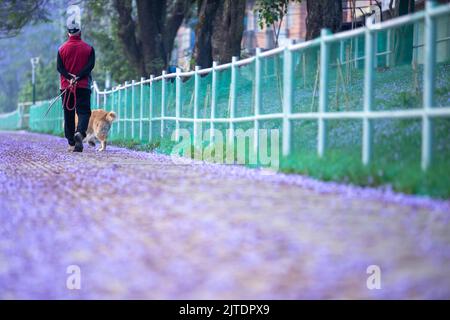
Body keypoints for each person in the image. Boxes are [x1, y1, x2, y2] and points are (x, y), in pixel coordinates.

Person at [57, 21, 95, 152]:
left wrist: (69, 78)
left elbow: (59, 68)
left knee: (68, 114)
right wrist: (78, 77)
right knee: (83, 112)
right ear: (80, 32)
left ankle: (72, 143)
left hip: (66, 87)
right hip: (83, 85)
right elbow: (90, 66)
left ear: (68, 33)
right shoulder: (89, 49)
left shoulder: (61, 49)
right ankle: (80, 132)